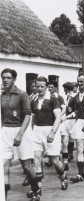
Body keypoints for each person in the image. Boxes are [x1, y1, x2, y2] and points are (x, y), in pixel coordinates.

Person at [1, 69, 40, 200]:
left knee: (26, 166)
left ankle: (36, 190)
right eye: (3, 78)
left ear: (14, 79)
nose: (5, 80)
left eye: (8, 78)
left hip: (21, 131)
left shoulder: (22, 94)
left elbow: (28, 116)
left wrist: (20, 134)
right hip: (6, 131)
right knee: (3, 166)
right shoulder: (2, 96)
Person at [30, 76, 68, 198]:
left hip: (51, 130)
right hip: (37, 131)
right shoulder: (33, 100)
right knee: (36, 158)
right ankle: (38, 188)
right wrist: (31, 132)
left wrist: (52, 132)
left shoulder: (53, 99)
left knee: (54, 161)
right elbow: (33, 118)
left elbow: (57, 117)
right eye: (37, 86)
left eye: (42, 86)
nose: (39, 89)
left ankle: (63, 177)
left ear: (46, 87)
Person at [60, 82, 77, 169]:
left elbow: (77, 111)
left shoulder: (75, 97)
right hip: (66, 122)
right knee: (64, 142)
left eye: (64, 89)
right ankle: (65, 163)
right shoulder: (67, 97)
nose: (64, 90)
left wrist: (67, 117)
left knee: (76, 141)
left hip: (73, 122)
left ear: (67, 89)